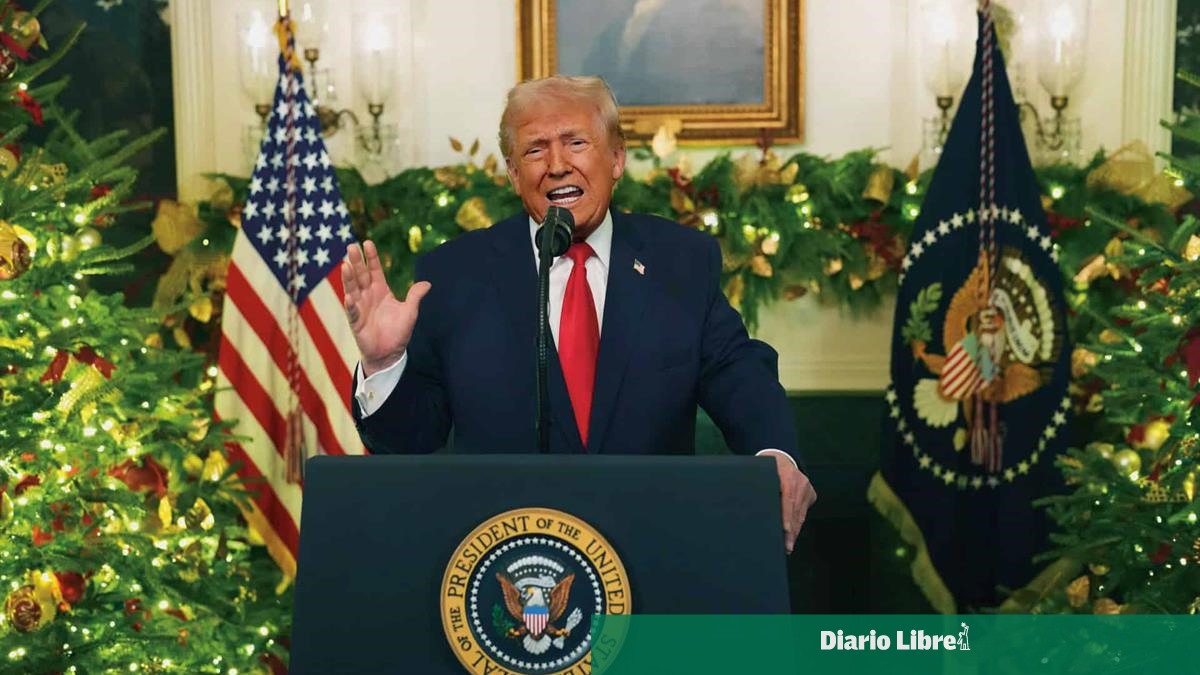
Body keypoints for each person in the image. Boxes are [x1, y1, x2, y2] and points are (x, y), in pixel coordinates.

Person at [341, 75, 816, 553]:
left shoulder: (680, 260)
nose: (557, 165)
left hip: (653, 549)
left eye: (576, 143)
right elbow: (411, 440)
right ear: (513, 173)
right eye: (535, 150)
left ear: (617, 158)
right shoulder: (455, 273)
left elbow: (739, 374)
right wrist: (383, 364)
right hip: (507, 557)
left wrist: (775, 454)